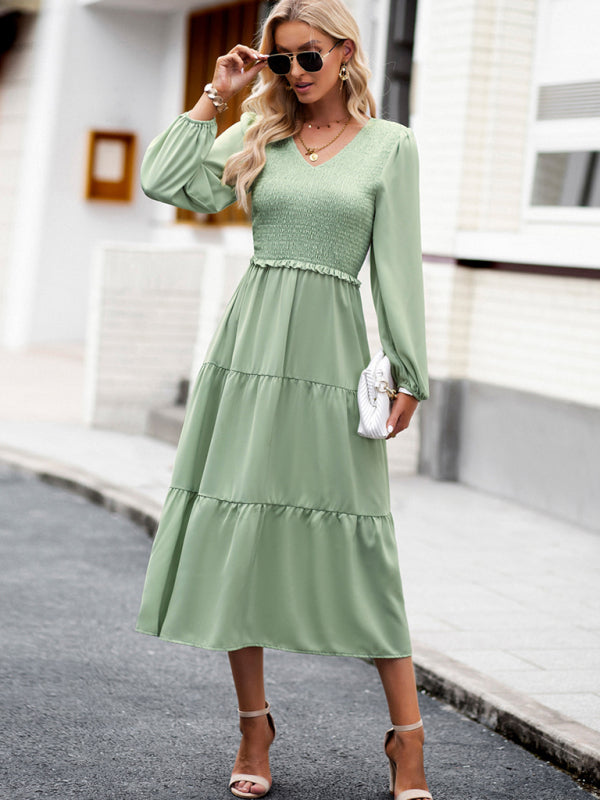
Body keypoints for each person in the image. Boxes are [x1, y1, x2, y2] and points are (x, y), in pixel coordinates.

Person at [135, 1, 431, 798]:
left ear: (343, 53)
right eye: (280, 61)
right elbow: (166, 182)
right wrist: (215, 96)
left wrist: (410, 369)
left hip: (332, 353)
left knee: (362, 538)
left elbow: (398, 265)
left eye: (308, 58)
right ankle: (254, 730)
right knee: (243, 530)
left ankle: (408, 742)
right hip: (251, 349)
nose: (295, 74)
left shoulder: (389, 147)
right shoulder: (258, 135)